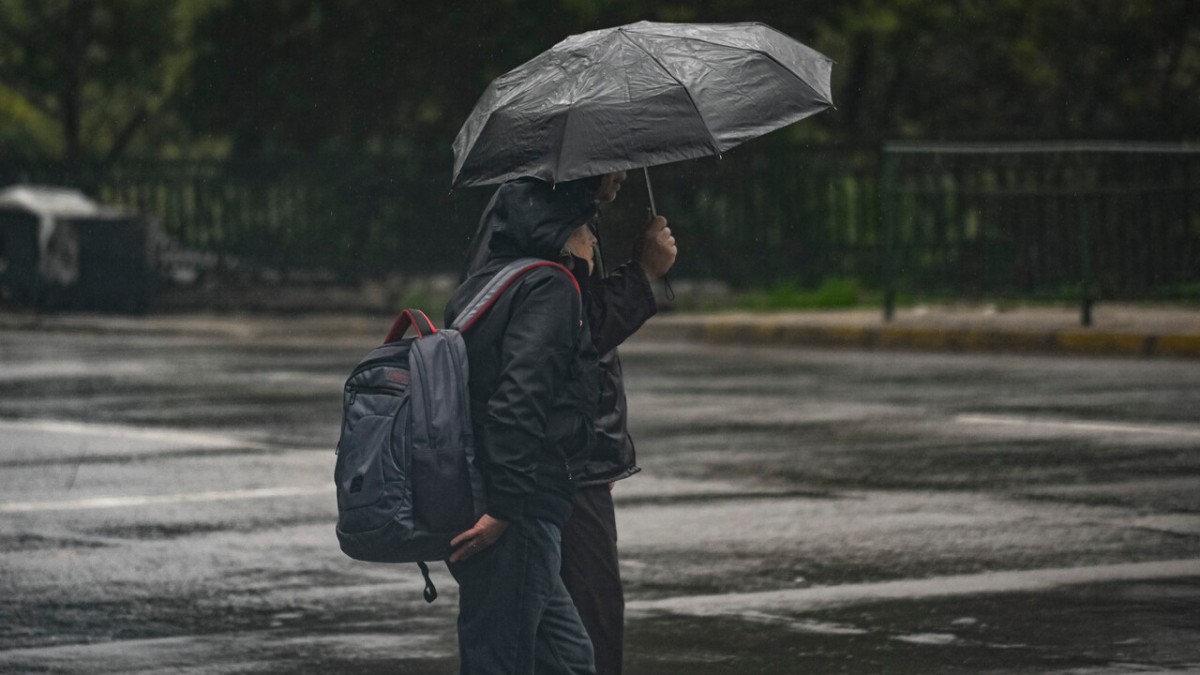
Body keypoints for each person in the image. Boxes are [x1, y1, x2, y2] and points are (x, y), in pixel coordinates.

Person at [462, 170, 678, 675]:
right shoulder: (544, 240)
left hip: (552, 468)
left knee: (565, 648)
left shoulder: (540, 218)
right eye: (616, 159)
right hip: (553, 470)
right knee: (550, 636)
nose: (624, 172)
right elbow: (544, 363)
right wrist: (642, 273)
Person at [443, 176, 604, 675]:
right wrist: (506, 509)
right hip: (519, 508)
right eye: (587, 226)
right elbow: (519, 399)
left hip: (491, 495)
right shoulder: (550, 287)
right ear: (563, 229)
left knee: (569, 659)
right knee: (500, 659)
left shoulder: (486, 286)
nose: (595, 239)